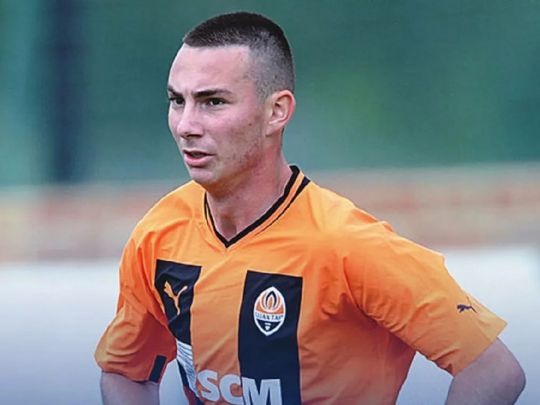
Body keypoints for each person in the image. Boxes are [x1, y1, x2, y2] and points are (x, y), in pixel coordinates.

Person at [95, 11, 526, 405]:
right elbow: (126, 372)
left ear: (276, 112)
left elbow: (494, 371)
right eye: (177, 101)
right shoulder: (160, 235)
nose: (187, 125)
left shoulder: (350, 245)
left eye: (213, 102)